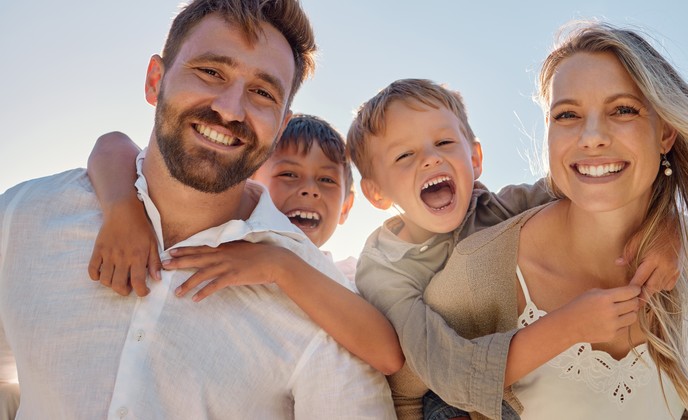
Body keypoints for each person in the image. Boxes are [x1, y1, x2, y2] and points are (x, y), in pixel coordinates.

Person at [0, 0, 396, 418]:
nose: (230, 108)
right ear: (156, 80)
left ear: (280, 126)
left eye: (262, 92)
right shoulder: (24, 217)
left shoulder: (323, 307)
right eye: (210, 72)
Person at [409, 22, 688, 419]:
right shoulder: (480, 270)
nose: (591, 137)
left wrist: (675, 225)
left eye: (623, 109)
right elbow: (404, 395)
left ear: (666, 133)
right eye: (567, 114)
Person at [347, 78, 681, 419]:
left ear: (475, 159)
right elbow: (443, 367)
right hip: (443, 388)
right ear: (376, 193)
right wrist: (571, 326)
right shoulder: (385, 268)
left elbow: (593, 185)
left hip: (510, 358)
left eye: (444, 142)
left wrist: (668, 228)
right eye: (405, 155)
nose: (431, 159)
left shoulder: (499, 208)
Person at [85, 114, 401, 372]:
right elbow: (112, 144)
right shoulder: (222, 232)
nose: (309, 191)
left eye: (327, 180)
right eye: (289, 174)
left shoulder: (343, 274)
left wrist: (278, 264)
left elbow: (387, 355)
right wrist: (122, 209)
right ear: (248, 181)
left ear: (346, 206)